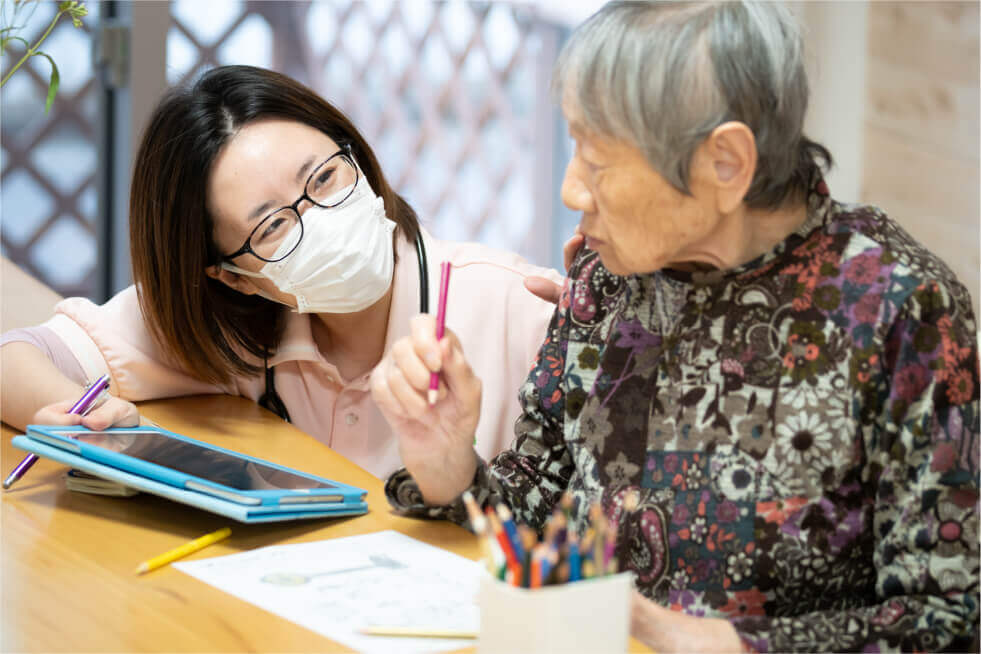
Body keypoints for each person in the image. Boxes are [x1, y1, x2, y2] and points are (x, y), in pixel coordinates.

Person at [370, 2, 980, 651]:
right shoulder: (612, 269)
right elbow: (535, 527)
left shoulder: (902, 307)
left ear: (724, 163)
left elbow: (940, 619)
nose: (571, 191)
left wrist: (707, 640)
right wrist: (446, 465)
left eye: (597, 161)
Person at [0, 65, 564, 479]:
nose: (317, 219)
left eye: (323, 179)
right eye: (271, 226)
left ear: (359, 161)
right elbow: (16, 358)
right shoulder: (230, 326)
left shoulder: (515, 308)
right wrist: (88, 420)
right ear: (234, 277)